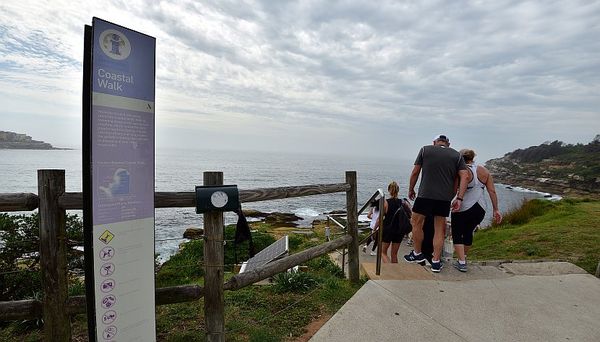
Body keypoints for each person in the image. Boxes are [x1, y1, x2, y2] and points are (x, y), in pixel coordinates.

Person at [404, 134, 469, 273]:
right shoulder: (457, 156)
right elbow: (465, 176)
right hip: (444, 199)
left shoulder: (425, 150)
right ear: (448, 144)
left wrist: (411, 189)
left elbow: (415, 172)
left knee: (416, 223)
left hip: (425, 195)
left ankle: (417, 253)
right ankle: (435, 262)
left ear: (434, 142)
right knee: (439, 229)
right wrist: (459, 198)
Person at [451, 149, 503, 272]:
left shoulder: (462, 172)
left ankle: (462, 262)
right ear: (472, 158)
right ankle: (464, 258)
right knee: (469, 232)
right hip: (480, 208)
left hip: (463, 206)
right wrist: (496, 209)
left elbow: (454, 190)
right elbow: (492, 191)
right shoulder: (484, 171)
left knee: (457, 233)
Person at [381, 182, 412, 263]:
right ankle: (395, 271)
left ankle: (390, 270)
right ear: (398, 190)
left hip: (388, 229)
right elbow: (410, 215)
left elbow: (380, 218)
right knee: (394, 254)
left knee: (383, 252)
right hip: (399, 230)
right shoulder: (403, 202)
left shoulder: (385, 202)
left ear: (389, 190)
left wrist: (374, 228)